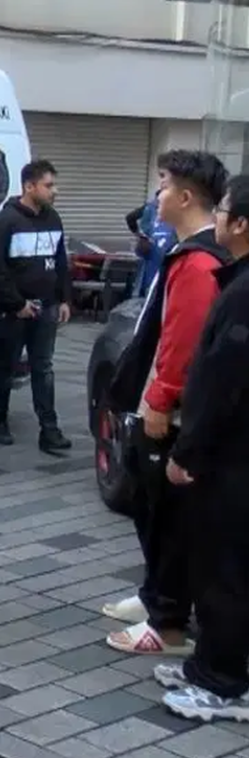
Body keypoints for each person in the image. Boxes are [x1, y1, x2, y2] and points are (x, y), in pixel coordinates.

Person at [95, 151, 231, 654]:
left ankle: (167, 619)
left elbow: (181, 341)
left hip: (169, 411)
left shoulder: (198, 262)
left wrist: (159, 400)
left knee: (165, 514)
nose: (157, 197)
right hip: (153, 399)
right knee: (149, 508)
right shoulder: (179, 250)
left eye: (164, 186)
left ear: (187, 196)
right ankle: (155, 594)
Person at [155, 174, 249, 723]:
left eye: (225, 212)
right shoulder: (235, 281)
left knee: (226, 571)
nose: (217, 220)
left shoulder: (241, 295)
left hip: (232, 459)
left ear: (240, 225)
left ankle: (222, 682)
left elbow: (219, 383)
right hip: (231, 454)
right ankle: (208, 664)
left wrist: (188, 452)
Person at [0, 159, 72, 454]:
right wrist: (16, 303)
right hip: (14, 312)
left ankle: (49, 429)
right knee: (6, 366)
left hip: (46, 308)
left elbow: (61, 261)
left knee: (43, 368)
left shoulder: (53, 218)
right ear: (29, 186)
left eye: (54, 185)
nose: (55, 191)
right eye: (49, 185)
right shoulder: (6, 221)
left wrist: (63, 298)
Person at [128, 192, 177, 298]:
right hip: (159, 262)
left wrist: (139, 235)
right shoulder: (152, 209)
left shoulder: (150, 207)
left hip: (155, 263)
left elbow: (130, 218)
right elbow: (130, 218)